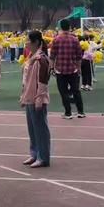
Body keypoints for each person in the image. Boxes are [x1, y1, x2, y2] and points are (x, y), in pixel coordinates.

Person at [20, 31, 51, 168]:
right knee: (32, 128)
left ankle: (43, 157)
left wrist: (39, 97)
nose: (26, 43)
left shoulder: (41, 59)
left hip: (37, 97)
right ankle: (34, 154)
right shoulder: (31, 57)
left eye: (28, 40)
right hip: (28, 96)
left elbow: (43, 81)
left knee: (40, 129)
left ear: (36, 42)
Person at [50, 19, 85, 119]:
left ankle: (68, 113)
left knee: (63, 92)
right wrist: (78, 68)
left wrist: (52, 68)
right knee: (76, 91)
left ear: (61, 27)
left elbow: (52, 56)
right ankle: (80, 112)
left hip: (60, 70)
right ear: (69, 27)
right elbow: (79, 56)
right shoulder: (75, 39)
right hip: (73, 69)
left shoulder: (56, 39)